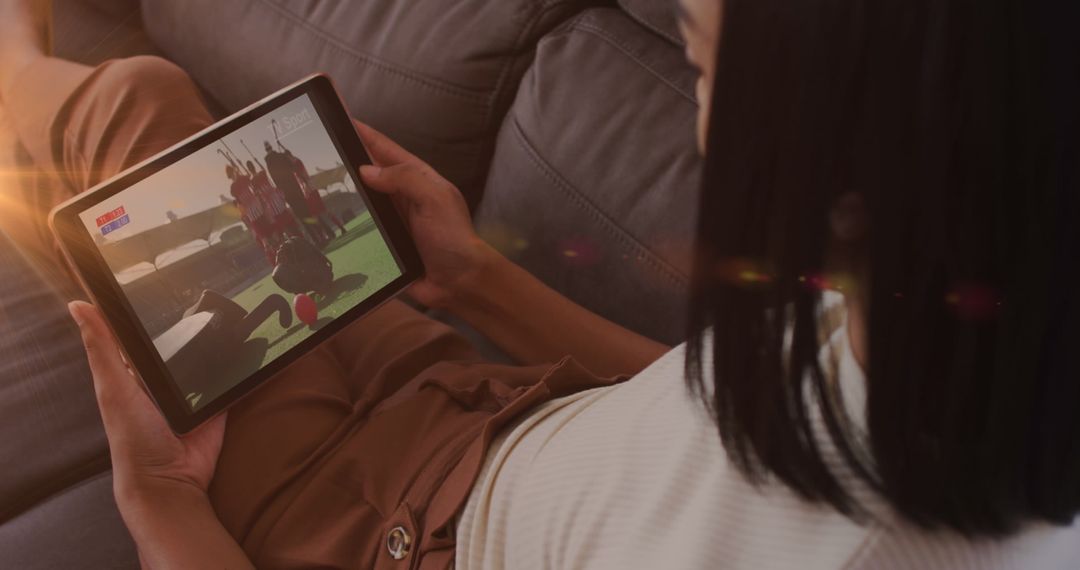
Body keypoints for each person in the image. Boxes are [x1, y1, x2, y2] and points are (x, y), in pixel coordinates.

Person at [1, 0, 1078, 568]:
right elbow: (724, 432)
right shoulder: (956, 314)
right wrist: (473, 282)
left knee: (133, 108)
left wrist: (161, 503)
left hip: (365, 521)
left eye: (701, 56)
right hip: (484, 412)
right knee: (185, 149)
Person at [264, 140, 328, 246]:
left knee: (301, 217)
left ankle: (316, 240)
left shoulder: (269, 162)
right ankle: (321, 235)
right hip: (295, 188)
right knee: (307, 212)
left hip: (287, 192)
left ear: (266, 150)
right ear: (271, 147)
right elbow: (293, 168)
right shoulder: (281, 156)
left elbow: (274, 178)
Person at [225, 163, 274, 265]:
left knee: (268, 237)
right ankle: (273, 258)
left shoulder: (236, 185)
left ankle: (273, 257)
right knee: (267, 238)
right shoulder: (236, 185)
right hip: (255, 215)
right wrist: (238, 169)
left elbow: (247, 179)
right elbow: (246, 179)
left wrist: (237, 169)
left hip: (256, 214)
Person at [246, 159, 299, 249]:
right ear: (254, 166)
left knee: (282, 232)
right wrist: (257, 162)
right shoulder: (262, 174)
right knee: (292, 226)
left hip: (272, 209)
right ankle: (299, 242)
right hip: (278, 202)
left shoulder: (253, 182)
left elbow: (256, 194)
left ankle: (291, 247)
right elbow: (264, 170)